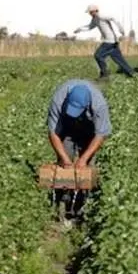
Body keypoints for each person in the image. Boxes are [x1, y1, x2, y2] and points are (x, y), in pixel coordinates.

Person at [47, 79, 111, 220]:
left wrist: (83, 159)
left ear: (87, 105)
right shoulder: (59, 99)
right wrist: (65, 160)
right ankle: (63, 198)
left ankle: (84, 203)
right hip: (67, 127)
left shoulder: (99, 104)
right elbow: (53, 133)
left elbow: (100, 135)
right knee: (65, 163)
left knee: (87, 167)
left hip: (90, 131)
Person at [74, 4, 135, 81]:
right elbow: (90, 27)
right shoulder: (95, 19)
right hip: (113, 42)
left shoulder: (101, 16)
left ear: (94, 11)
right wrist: (80, 29)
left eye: (90, 12)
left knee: (98, 55)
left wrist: (121, 29)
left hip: (110, 41)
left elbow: (113, 18)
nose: (90, 14)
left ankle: (104, 75)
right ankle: (132, 74)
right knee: (119, 60)